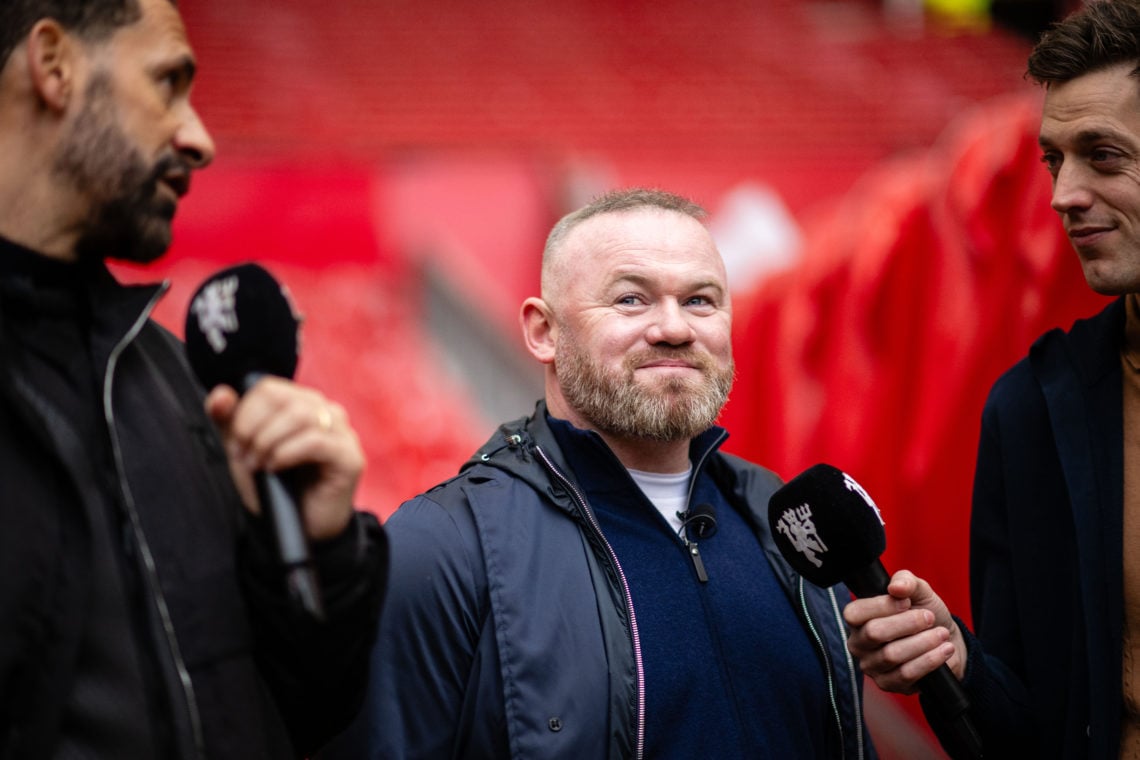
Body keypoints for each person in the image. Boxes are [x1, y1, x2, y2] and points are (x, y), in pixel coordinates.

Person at [319, 187, 877, 759]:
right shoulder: (443, 547)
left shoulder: (786, 520)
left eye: (701, 300)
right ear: (544, 332)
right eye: (632, 300)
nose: (674, 328)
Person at [0, 1, 387, 758]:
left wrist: (322, 555)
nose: (199, 139)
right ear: (53, 66)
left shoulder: (177, 384)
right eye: (167, 83)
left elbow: (309, 708)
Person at [842, 1, 1140, 758]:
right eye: (1055, 159)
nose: (1063, 195)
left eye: (1102, 156)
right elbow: (1029, 722)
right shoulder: (1034, 408)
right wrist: (956, 661)